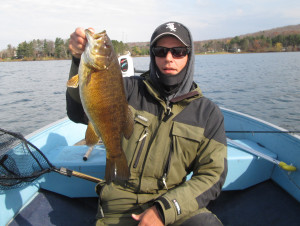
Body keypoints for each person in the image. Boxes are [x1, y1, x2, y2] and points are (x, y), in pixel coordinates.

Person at [67, 21, 227, 226]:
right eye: (161, 51)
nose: (169, 58)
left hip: (174, 207)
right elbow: (77, 112)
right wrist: (77, 59)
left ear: (189, 55)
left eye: (178, 51)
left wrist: (163, 210)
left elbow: (212, 175)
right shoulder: (127, 89)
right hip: (118, 210)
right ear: (153, 55)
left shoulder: (207, 114)